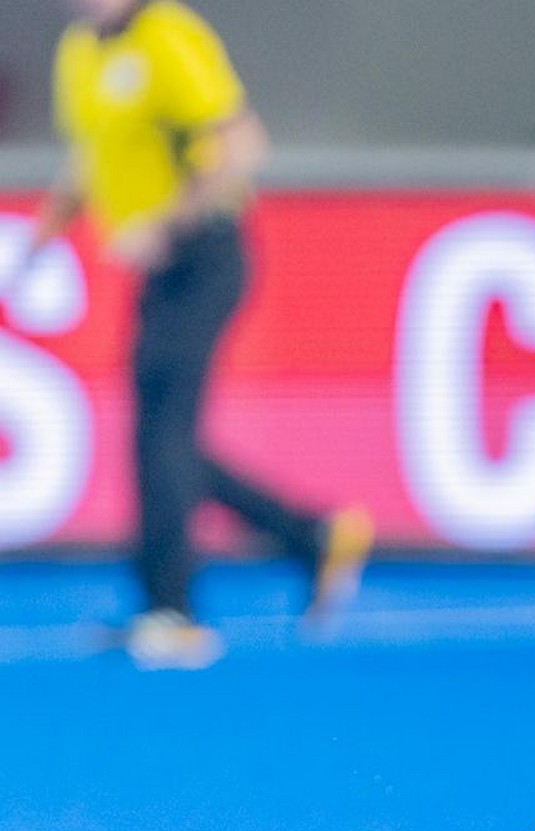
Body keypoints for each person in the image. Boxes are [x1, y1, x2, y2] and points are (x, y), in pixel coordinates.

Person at [19, 0, 371, 669]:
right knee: (162, 435)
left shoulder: (167, 35)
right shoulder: (79, 53)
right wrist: (42, 235)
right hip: (159, 273)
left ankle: (174, 611)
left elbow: (240, 143)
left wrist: (165, 222)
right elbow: (90, 160)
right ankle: (310, 537)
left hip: (204, 256)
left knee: (161, 433)